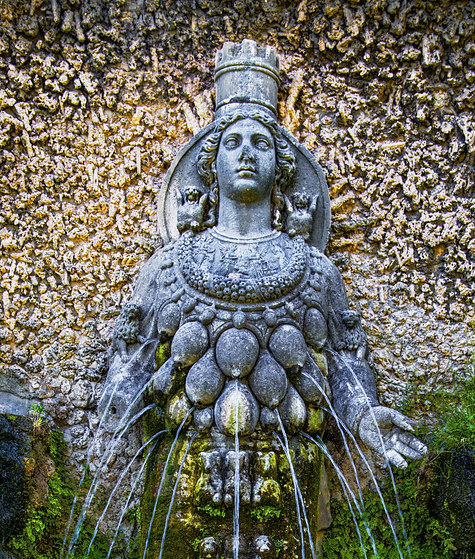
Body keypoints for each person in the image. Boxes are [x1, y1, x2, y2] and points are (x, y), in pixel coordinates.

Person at [101, 57, 426, 470]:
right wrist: (117, 402)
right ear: (210, 165)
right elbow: (131, 376)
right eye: (232, 143)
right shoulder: (167, 269)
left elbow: (343, 363)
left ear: (282, 167)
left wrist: (365, 418)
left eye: (261, 143)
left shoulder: (316, 272)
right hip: (182, 476)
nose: (247, 154)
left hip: (293, 473)